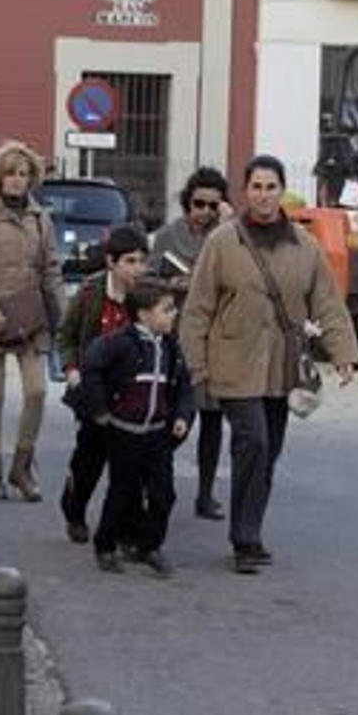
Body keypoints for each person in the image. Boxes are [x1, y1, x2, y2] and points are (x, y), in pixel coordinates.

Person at [179, 155, 358, 574]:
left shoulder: (304, 245)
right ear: (246, 192)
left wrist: (344, 355)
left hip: (281, 365)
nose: (263, 195)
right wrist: (197, 363)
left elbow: (328, 303)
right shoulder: (223, 242)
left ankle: (251, 531)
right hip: (233, 362)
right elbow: (199, 307)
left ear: (282, 192)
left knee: (269, 452)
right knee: (254, 441)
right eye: (256, 187)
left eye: (271, 187)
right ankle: (244, 538)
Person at [0, 140, 66, 502]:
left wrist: (61, 314)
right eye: (11, 173)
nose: (18, 180)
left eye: (24, 174)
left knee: (37, 390)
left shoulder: (40, 217)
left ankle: (22, 465)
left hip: (30, 315)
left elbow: (51, 268)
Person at [76, 280, 194, 577]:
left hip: (156, 434)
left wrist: (181, 415)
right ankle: (105, 545)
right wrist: (101, 411)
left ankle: (149, 546)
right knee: (122, 491)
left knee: (164, 494)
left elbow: (183, 387)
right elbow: (91, 370)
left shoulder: (171, 347)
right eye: (166, 309)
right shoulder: (118, 343)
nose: (174, 314)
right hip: (123, 432)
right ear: (143, 315)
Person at [56, 225, 150, 543]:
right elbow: (66, 336)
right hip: (93, 388)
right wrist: (72, 370)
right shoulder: (90, 291)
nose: (138, 269)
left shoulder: (147, 295)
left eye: (141, 261)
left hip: (132, 393)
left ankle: (124, 525)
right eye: (130, 261)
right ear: (112, 262)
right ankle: (75, 507)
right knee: (90, 457)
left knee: (128, 461)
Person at [149, 166, 232, 519]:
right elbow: (150, 280)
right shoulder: (169, 235)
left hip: (217, 337)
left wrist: (230, 222)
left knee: (213, 420)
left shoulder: (229, 235)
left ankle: (205, 493)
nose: (205, 212)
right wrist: (178, 285)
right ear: (188, 202)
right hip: (177, 333)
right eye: (199, 204)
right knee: (176, 415)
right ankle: (153, 478)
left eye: (214, 206)